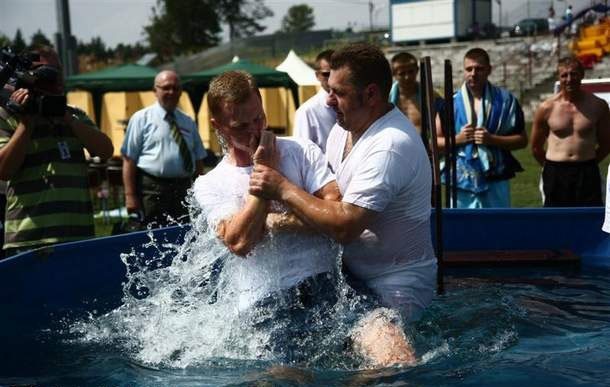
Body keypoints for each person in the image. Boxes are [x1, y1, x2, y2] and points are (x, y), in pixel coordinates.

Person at [249, 42, 436, 367]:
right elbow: (326, 205)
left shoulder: (390, 145)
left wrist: (282, 188)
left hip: (395, 284)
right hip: (349, 277)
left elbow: (345, 225)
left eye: (339, 92)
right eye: (328, 89)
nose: (328, 100)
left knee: (388, 365)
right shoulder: (342, 130)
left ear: (372, 94)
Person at [192, 71, 341, 360]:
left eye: (259, 119)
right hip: (265, 302)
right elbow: (239, 242)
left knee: (389, 347)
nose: (255, 132)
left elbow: (335, 213)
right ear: (218, 126)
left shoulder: (301, 150)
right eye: (241, 126)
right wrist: (264, 176)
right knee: (289, 375)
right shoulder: (210, 184)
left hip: (325, 285)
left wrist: (274, 223)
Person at [0, 46, 114, 257]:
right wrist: (27, 124)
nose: (58, 78)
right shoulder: (8, 116)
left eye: (59, 71)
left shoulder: (75, 115)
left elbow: (105, 150)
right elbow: (3, 170)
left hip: (78, 236)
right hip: (29, 238)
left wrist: (68, 119)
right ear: (27, 76)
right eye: (48, 71)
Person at [436, 47, 527, 208]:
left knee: (497, 227)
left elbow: (522, 140)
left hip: (496, 176)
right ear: (463, 71)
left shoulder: (506, 101)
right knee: (461, 229)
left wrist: (492, 139)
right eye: (469, 69)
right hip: (460, 180)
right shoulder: (449, 104)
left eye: (479, 69)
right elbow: (435, 143)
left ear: (489, 70)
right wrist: (457, 139)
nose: (473, 73)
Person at [121, 70, 206, 225]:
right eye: (166, 88)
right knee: (153, 236)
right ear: (155, 90)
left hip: (183, 190)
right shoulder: (141, 119)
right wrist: (130, 196)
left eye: (176, 88)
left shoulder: (188, 121)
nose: (171, 92)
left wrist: (201, 193)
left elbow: (198, 159)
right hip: (152, 191)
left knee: (184, 236)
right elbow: (129, 159)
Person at [531, 57, 610, 207]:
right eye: (564, 75)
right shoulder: (546, 108)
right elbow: (535, 148)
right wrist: (551, 166)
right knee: (555, 221)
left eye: (574, 74)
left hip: (587, 171)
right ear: (558, 78)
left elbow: (606, 144)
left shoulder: (598, 106)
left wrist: (588, 162)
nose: (569, 79)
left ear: (582, 75)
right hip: (555, 172)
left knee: (589, 220)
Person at [389, 52, 443, 134]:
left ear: (417, 70)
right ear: (393, 74)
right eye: (402, 74)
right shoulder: (386, 99)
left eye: (410, 72)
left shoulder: (431, 96)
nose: (407, 77)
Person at [292, 49, 336, 153]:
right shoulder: (307, 111)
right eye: (327, 74)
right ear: (317, 76)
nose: (332, 79)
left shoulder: (355, 105)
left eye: (336, 73)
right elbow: (301, 154)